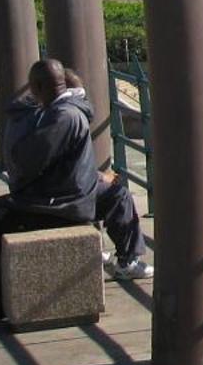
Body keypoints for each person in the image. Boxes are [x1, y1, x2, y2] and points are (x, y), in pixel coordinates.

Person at [0, 58, 99, 322]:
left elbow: (27, 161)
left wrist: (21, 125)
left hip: (60, 206)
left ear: (38, 86)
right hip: (55, 197)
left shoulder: (63, 116)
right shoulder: (65, 110)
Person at [58, 69, 152, 280]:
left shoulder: (33, 115)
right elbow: (71, 175)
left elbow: (58, 165)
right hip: (58, 199)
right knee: (119, 196)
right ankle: (127, 262)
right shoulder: (69, 117)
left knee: (99, 189)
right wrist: (100, 177)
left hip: (38, 193)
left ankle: (97, 248)